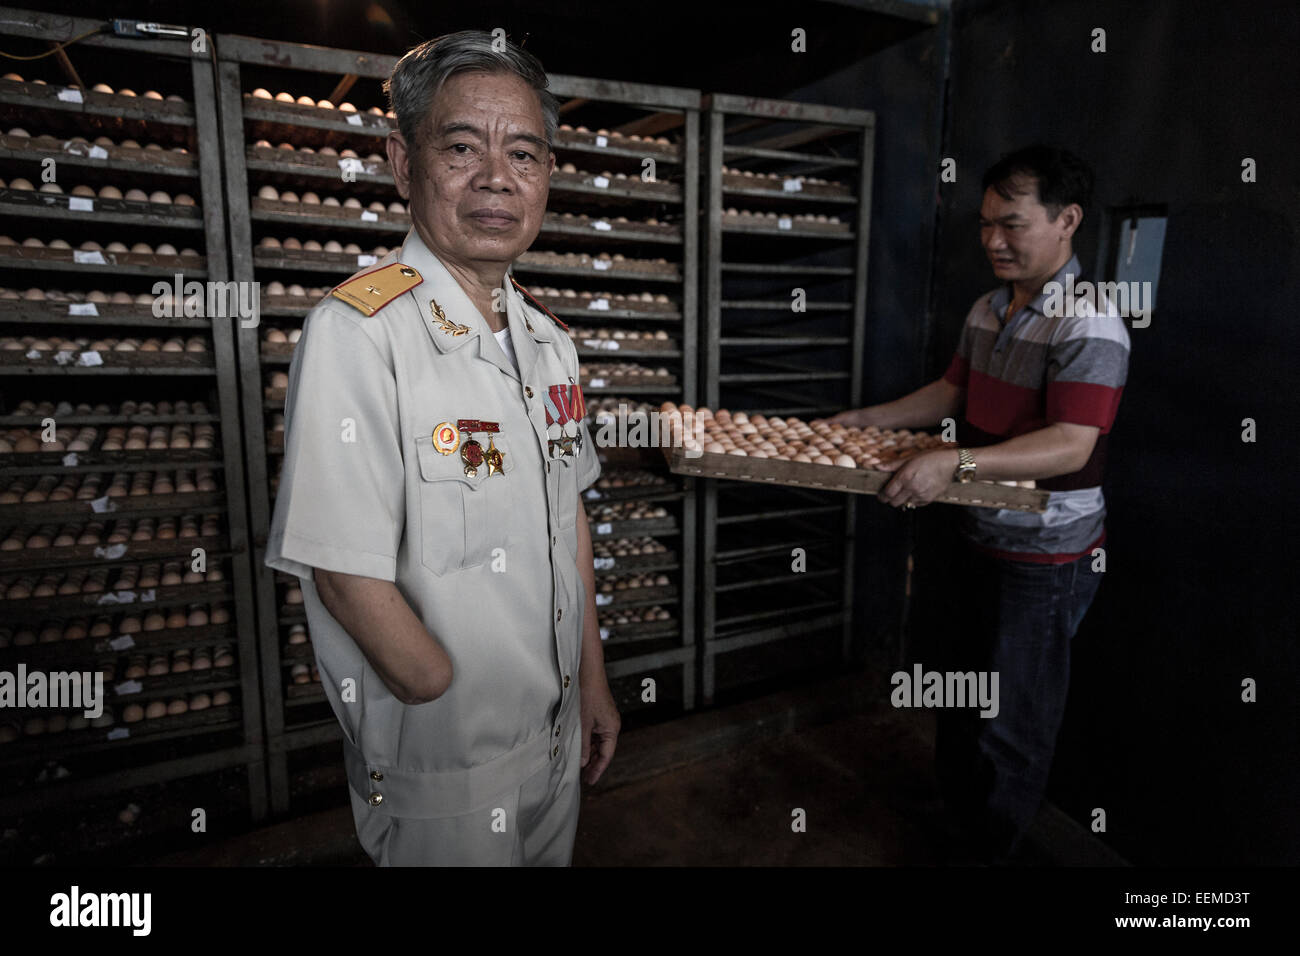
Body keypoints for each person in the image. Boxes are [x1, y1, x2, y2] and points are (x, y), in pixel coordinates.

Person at [265, 30, 620, 866]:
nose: (497, 177)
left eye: (524, 154)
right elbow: (339, 565)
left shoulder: (548, 342)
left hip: (555, 735)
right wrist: (434, 691)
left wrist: (592, 679)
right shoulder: (360, 333)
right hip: (447, 772)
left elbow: (565, 513)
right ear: (402, 162)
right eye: (461, 147)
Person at [831, 145, 1130, 861]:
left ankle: (985, 850)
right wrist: (864, 423)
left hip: (1047, 554)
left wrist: (953, 460)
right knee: (963, 699)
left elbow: (1070, 443)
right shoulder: (990, 308)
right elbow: (951, 394)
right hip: (979, 535)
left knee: (1013, 724)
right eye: (987, 223)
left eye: (1013, 224)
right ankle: (960, 822)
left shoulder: (1089, 321)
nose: (993, 240)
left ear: (1068, 221)